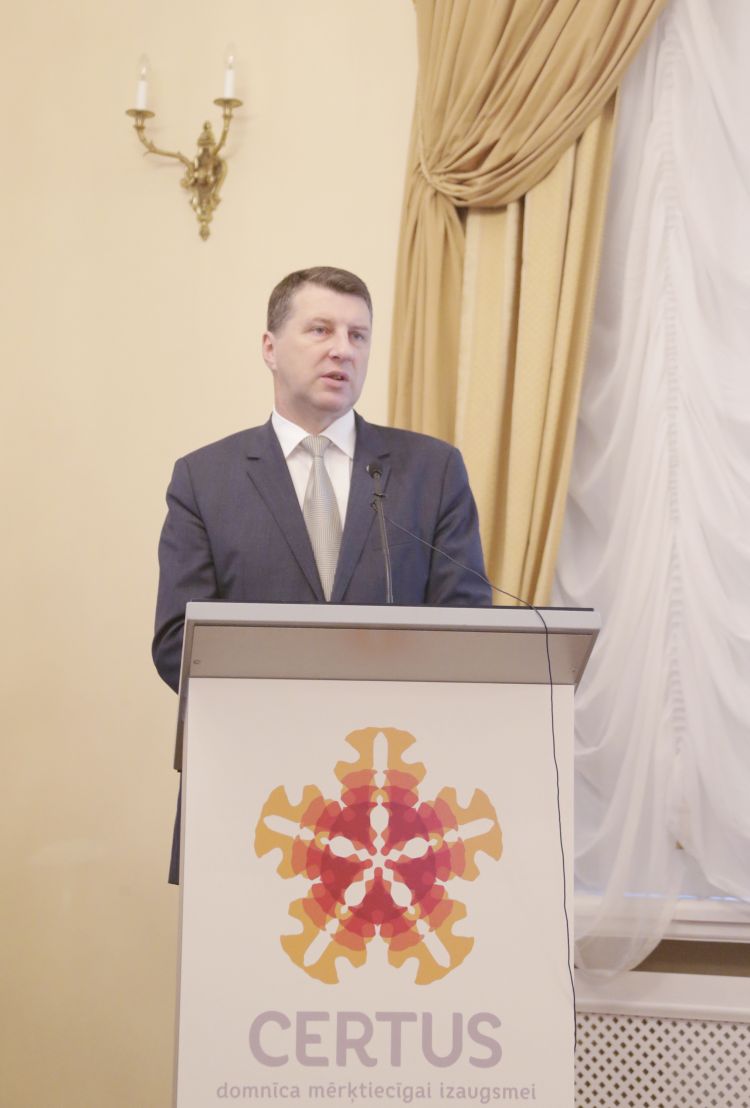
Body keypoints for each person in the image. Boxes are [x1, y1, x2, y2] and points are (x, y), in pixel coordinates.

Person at [153, 266, 491, 879]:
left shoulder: (431, 470)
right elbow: (179, 641)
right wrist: (303, 705)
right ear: (270, 347)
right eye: (321, 330)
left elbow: (466, 627)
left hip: (397, 798)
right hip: (252, 788)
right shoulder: (204, 478)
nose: (343, 349)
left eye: (359, 335)